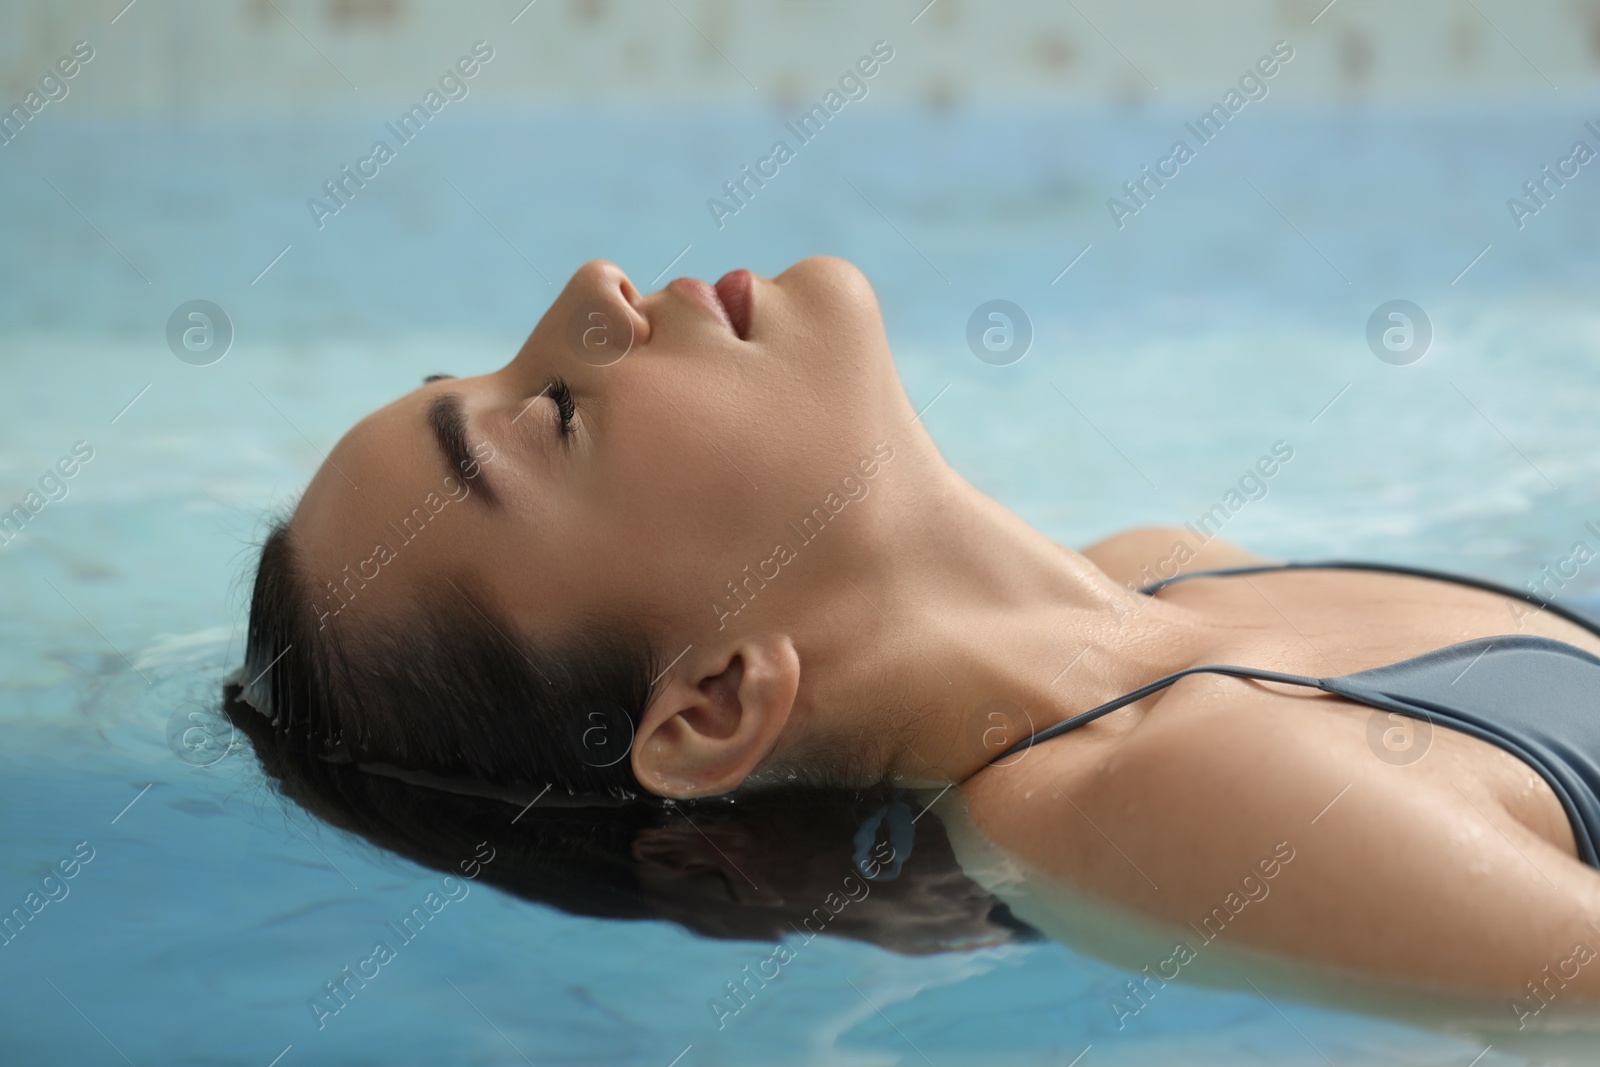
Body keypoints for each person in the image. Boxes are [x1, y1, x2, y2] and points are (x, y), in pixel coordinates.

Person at [232, 256, 1600, 1004]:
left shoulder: (1171, 576)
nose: (593, 292)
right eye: (553, 415)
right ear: (713, 702)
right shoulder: (1142, 797)